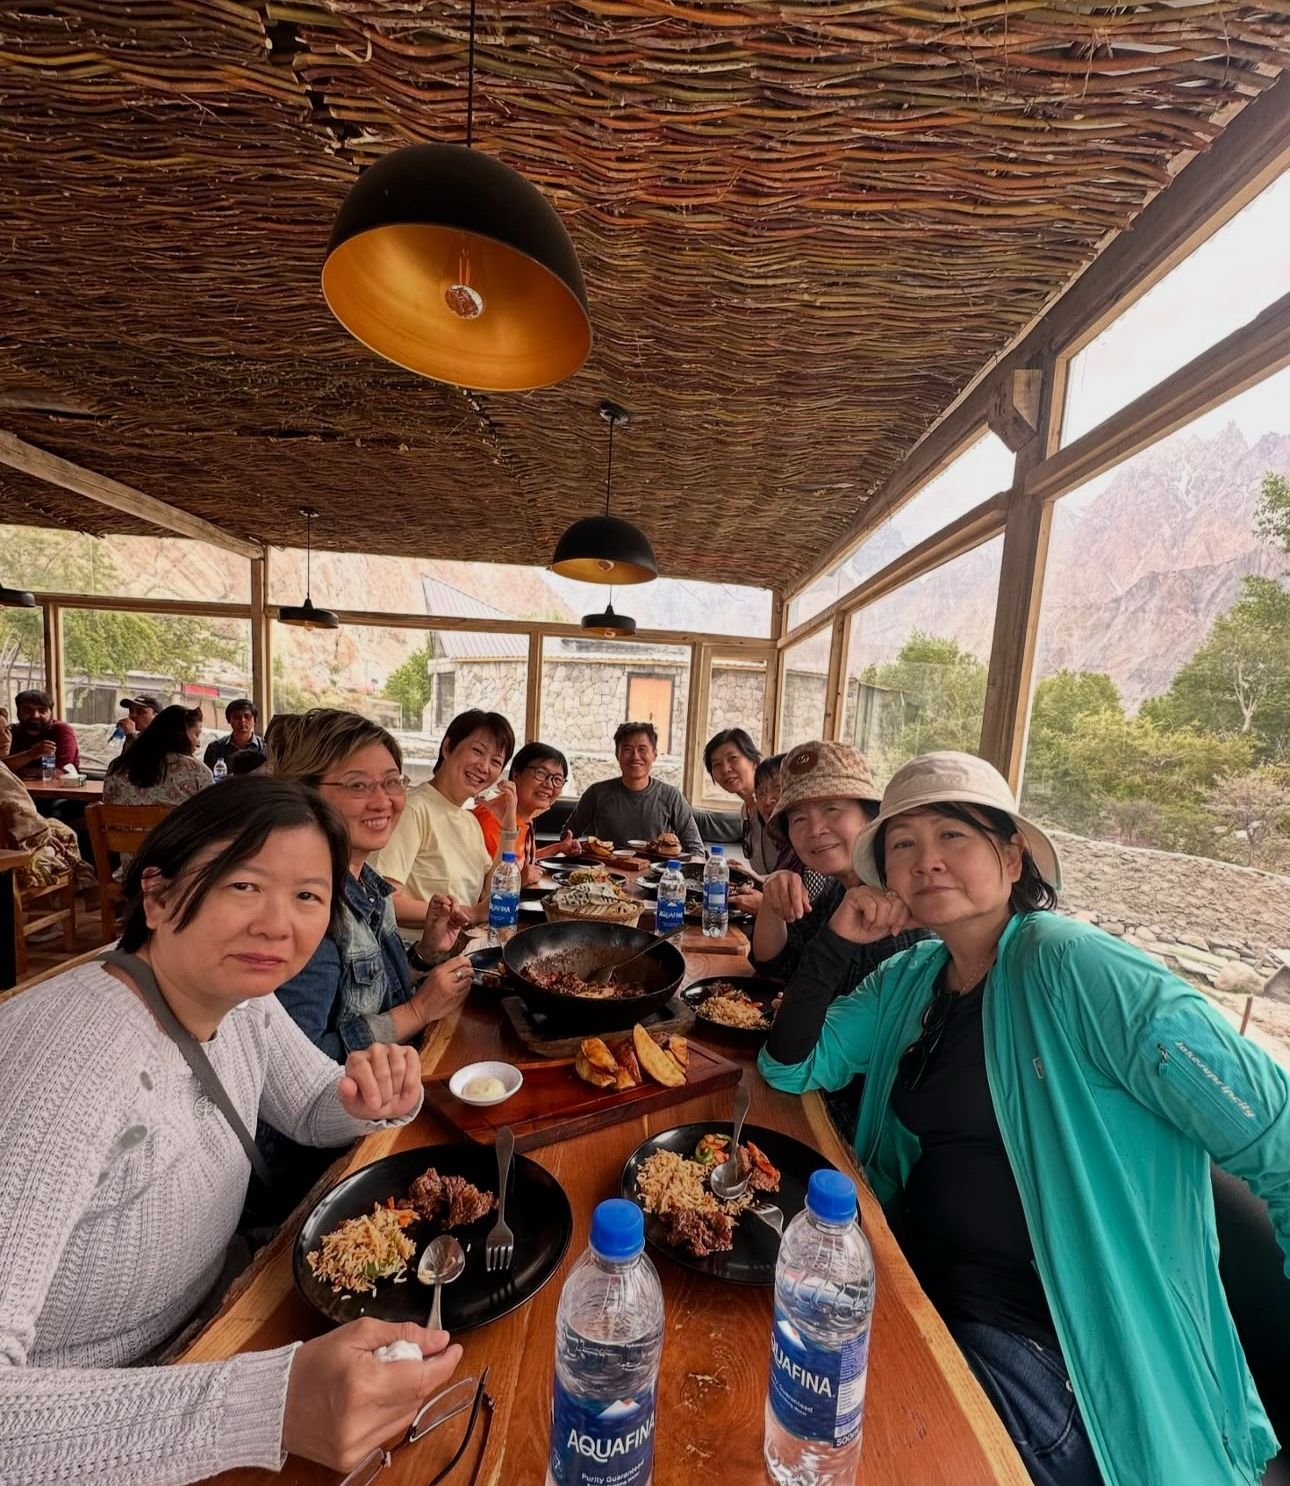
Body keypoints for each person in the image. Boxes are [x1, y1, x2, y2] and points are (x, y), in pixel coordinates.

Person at [758, 751, 1290, 1486]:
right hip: (922, 1292)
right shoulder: (912, 977)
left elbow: (1274, 1132)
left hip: (1061, 1359)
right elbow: (791, 1066)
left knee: (829, 1445)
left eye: (954, 836)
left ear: (1011, 859)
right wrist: (837, 942)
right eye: (904, 844)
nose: (927, 860)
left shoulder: (1074, 965)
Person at [0, 777, 463, 1484]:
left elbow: (308, 1105)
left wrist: (367, 1099)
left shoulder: (242, 998)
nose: (279, 925)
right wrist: (263, 1409)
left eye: (307, 895)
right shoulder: (62, 1060)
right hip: (99, 1420)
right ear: (157, 896)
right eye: (244, 886)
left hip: (226, 1317)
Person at [270, 709, 475, 1061]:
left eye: (392, 782)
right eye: (358, 785)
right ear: (307, 793)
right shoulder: (309, 907)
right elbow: (299, 1061)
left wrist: (425, 953)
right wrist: (419, 1011)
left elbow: (373, 990)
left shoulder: (368, 884)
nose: (383, 802)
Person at [375, 708, 515, 928]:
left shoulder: (469, 821)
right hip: (414, 946)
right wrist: (471, 913)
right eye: (477, 751)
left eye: (496, 762)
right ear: (448, 747)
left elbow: (493, 890)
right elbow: (384, 901)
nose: (484, 767)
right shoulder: (413, 808)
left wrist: (508, 827)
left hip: (463, 943)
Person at [566, 721, 703, 853]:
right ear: (617, 755)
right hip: (608, 868)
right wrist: (575, 849)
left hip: (657, 869)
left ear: (654, 755)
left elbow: (696, 850)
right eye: (627, 749)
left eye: (642, 749)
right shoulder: (597, 793)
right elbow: (567, 838)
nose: (635, 756)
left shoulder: (671, 796)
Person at [472, 741, 578, 887]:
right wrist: (518, 880)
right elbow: (483, 886)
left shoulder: (525, 816)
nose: (549, 784)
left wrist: (559, 848)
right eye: (541, 773)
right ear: (517, 775)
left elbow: (522, 860)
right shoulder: (493, 819)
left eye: (557, 779)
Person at [0, 731, 81, 888]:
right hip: (10, 850)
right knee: (65, 833)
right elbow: (18, 810)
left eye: (7, 730)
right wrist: (44, 835)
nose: (5, 737)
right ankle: (79, 886)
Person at [103, 704, 213, 808]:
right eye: (196, 734)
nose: (198, 743)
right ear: (181, 734)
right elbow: (209, 816)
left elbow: (107, 806)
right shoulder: (198, 772)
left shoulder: (117, 767)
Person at [704, 727, 777, 874]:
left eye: (733, 758)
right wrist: (747, 872)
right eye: (717, 764)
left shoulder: (773, 806)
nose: (725, 769)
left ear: (753, 761)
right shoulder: (745, 811)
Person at [2, 688, 79, 779]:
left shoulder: (61, 730)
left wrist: (13, 770)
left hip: (57, 787)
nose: (35, 715)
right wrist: (31, 754)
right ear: (18, 712)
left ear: (50, 713)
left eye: (42, 711)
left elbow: (61, 771)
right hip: (13, 786)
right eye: (28, 710)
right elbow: (1, 767)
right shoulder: (9, 732)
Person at [203, 697, 265, 772]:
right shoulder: (215, 748)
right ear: (229, 720)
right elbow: (207, 777)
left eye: (247, 716)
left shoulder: (264, 748)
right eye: (237, 717)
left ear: (254, 720)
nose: (242, 720)